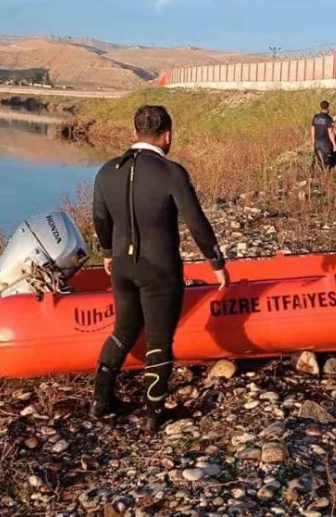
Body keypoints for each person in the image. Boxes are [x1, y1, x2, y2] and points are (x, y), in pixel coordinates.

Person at [91, 105, 230, 431]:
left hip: (123, 267)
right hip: (160, 269)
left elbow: (100, 217)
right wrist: (216, 262)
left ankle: (100, 400)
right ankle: (153, 413)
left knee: (123, 331)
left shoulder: (106, 171)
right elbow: (196, 222)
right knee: (159, 340)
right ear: (167, 135)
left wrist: (109, 252)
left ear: (134, 132)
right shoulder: (171, 172)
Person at [311, 101, 336, 171]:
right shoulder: (328, 119)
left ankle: (319, 175)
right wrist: (334, 145)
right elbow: (330, 132)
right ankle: (326, 177)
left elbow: (312, 129)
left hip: (317, 142)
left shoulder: (316, 117)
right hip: (325, 143)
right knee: (327, 163)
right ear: (328, 107)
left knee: (318, 161)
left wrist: (313, 140)